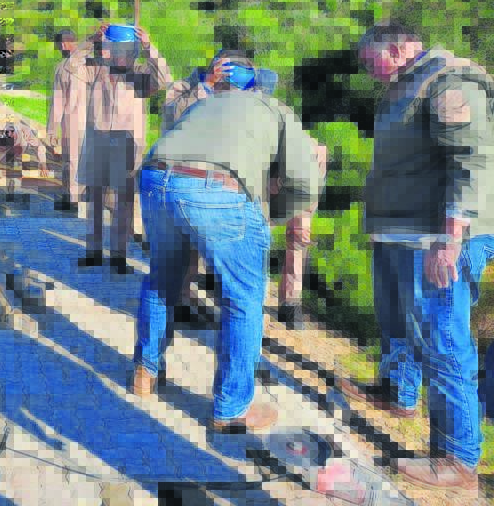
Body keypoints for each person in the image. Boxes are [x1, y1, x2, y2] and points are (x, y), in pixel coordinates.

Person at [336, 19, 494, 492]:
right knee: (398, 323)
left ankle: (457, 460)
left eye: (372, 61)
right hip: (400, 233)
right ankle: (398, 393)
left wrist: (451, 237)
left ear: (400, 47)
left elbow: (471, 159)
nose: (368, 71)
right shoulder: (405, 87)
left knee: (443, 340)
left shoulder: (448, 80)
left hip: (438, 236)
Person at [130, 79, 321, 435]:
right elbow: (306, 183)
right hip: (214, 185)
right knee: (243, 299)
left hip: (156, 178)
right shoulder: (278, 112)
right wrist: (269, 216)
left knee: (162, 280)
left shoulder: (207, 103)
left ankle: (145, 372)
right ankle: (231, 409)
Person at [161, 50, 328, 330]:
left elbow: (291, 139)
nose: (236, 84)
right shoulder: (190, 90)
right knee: (193, 235)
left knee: (296, 232)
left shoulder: (260, 103)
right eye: (228, 74)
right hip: (194, 179)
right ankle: (183, 299)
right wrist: (206, 85)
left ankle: (289, 302)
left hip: (257, 184)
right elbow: (174, 116)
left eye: (242, 77)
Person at [68, 22, 173, 273]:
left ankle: (119, 255)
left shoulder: (141, 76)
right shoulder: (96, 70)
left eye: (127, 50)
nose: (121, 55)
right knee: (94, 199)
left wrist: (149, 47)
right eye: (117, 49)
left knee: (123, 203)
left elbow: (165, 79)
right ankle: (93, 251)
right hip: (97, 142)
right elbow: (71, 66)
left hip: (127, 147)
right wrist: (92, 39)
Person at [46, 29, 86, 212]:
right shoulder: (92, 63)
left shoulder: (63, 67)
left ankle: (72, 199)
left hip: (73, 121)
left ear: (63, 44)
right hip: (96, 121)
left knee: (71, 160)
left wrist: (51, 130)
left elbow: (57, 102)